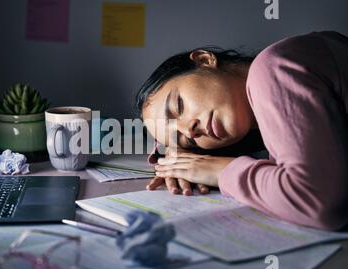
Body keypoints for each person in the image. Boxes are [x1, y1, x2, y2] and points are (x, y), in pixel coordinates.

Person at [137, 31, 348, 230]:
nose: (190, 130)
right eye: (188, 141)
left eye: (178, 106)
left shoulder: (272, 68)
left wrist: (218, 171)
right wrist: (178, 158)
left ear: (204, 60)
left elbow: (320, 203)